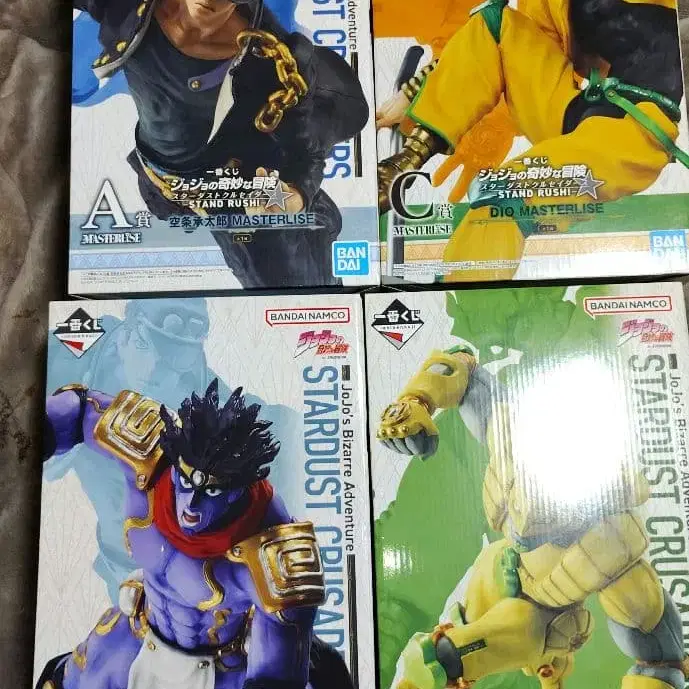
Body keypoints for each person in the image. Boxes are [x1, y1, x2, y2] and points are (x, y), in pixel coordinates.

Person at [75, 0, 369, 287]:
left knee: (290, 284)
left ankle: (316, 228)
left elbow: (306, 155)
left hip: (242, 192)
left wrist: (298, 195)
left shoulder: (273, 58)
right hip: (162, 179)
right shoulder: (131, 8)